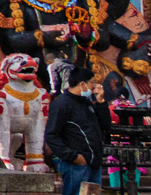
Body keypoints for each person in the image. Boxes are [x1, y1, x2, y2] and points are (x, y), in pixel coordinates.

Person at [47, 63, 112, 195]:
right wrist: (74, 156)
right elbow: (51, 135)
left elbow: (105, 125)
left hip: (94, 163)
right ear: (82, 84)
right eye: (92, 82)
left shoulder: (86, 102)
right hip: (76, 165)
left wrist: (101, 103)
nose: (94, 86)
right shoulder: (61, 104)